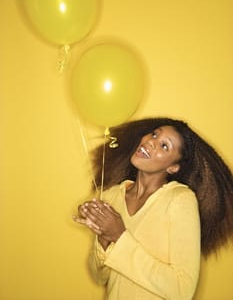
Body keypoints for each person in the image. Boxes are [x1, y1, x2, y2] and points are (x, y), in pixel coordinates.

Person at [73, 117, 233, 300]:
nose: (151, 142)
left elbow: (182, 291)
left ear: (173, 167)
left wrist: (119, 235)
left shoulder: (180, 200)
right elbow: (99, 277)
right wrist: (104, 239)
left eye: (165, 146)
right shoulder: (111, 196)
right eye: (154, 134)